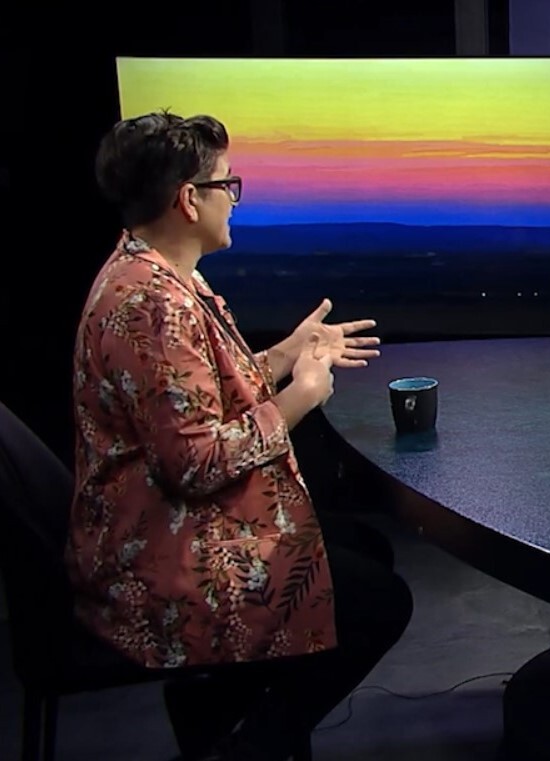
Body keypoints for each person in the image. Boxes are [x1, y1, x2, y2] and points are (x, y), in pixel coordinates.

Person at [67, 110, 413, 761]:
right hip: (162, 558)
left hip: (172, 526)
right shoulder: (151, 304)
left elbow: (194, 401)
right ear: (187, 198)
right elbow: (195, 462)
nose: (235, 197)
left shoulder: (158, 273)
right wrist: (299, 397)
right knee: (379, 602)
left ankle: (218, 705)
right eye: (228, 183)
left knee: (363, 548)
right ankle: (249, 742)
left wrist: (286, 352)